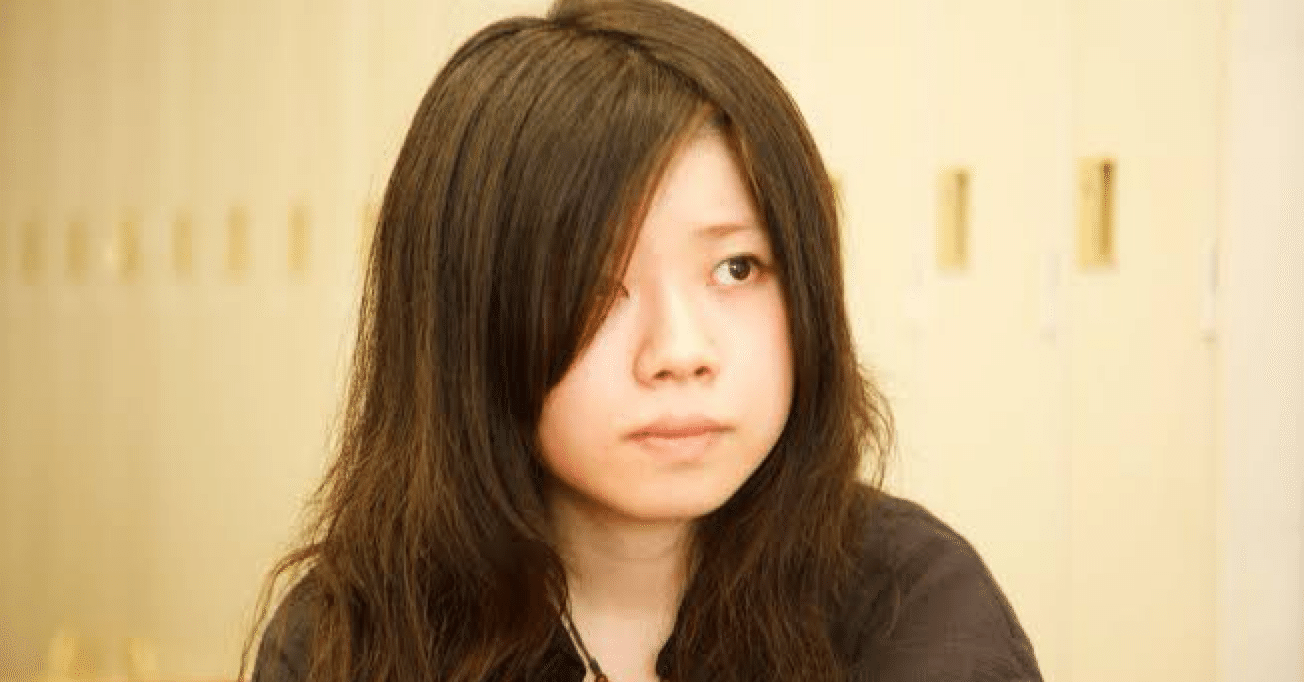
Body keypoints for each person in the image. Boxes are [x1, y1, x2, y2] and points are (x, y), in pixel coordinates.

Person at [242, 0, 1043, 680]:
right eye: (592, 285)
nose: (681, 351)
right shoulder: (348, 638)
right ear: (470, 315)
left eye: (736, 267)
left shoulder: (915, 609)